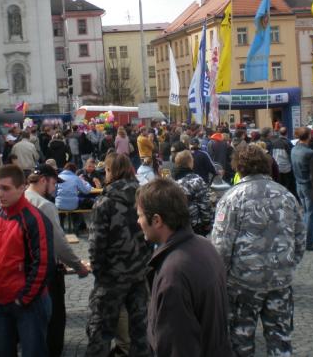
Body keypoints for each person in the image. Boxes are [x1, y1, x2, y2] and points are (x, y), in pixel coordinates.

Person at [212, 144, 305, 357]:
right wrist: (287, 265)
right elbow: (300, 238)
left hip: (243, 283)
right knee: (280, 341)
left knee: (241, 341)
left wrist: (223, 277)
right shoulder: (286, 195)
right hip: (280, 280)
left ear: (238, 167)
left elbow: (221, 246)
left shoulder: (232, 198)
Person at [136, 178, 231, 357]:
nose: (138, 221)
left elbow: (176, 346)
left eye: (140, 215)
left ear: (156, 220)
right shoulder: (204, 245)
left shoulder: (173, 273)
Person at [0, 164, 54, 357]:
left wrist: (23, 299)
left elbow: (44, 264)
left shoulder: (34, 218)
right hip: (2, 301)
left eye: (5, 188)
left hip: (29, 304)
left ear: (21, 188)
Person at [86, 153, 151, 356]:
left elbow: (96, 245)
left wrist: (100, 273)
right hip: (140, 274)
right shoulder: (145, 198)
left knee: (100, 333)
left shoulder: (105, 202)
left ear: (110, 171)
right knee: (140, 333)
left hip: (111, 277)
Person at [25, 164, 89, 357]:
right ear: (43, 180)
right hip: (46, 272)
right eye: (54, 182)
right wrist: (78, 265)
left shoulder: (22, 198)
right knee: (55, 320)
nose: (56, 187)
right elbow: (59, 243)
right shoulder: (45, 205)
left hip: (25, 272)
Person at [291, 127, 313, 250]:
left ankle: (303, 239)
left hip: (299, 183)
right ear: (308, 136)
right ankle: (308, 241)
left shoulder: (294, 149)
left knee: (305, 213)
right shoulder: (310, 153)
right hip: (308, 185)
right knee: (311, 214)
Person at [171, 150, 212, 236]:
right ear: (190, 162)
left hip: (175, 225)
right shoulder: (196, 180)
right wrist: (207, 222)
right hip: (194, 225)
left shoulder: (170, 180)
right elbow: (205, 203)